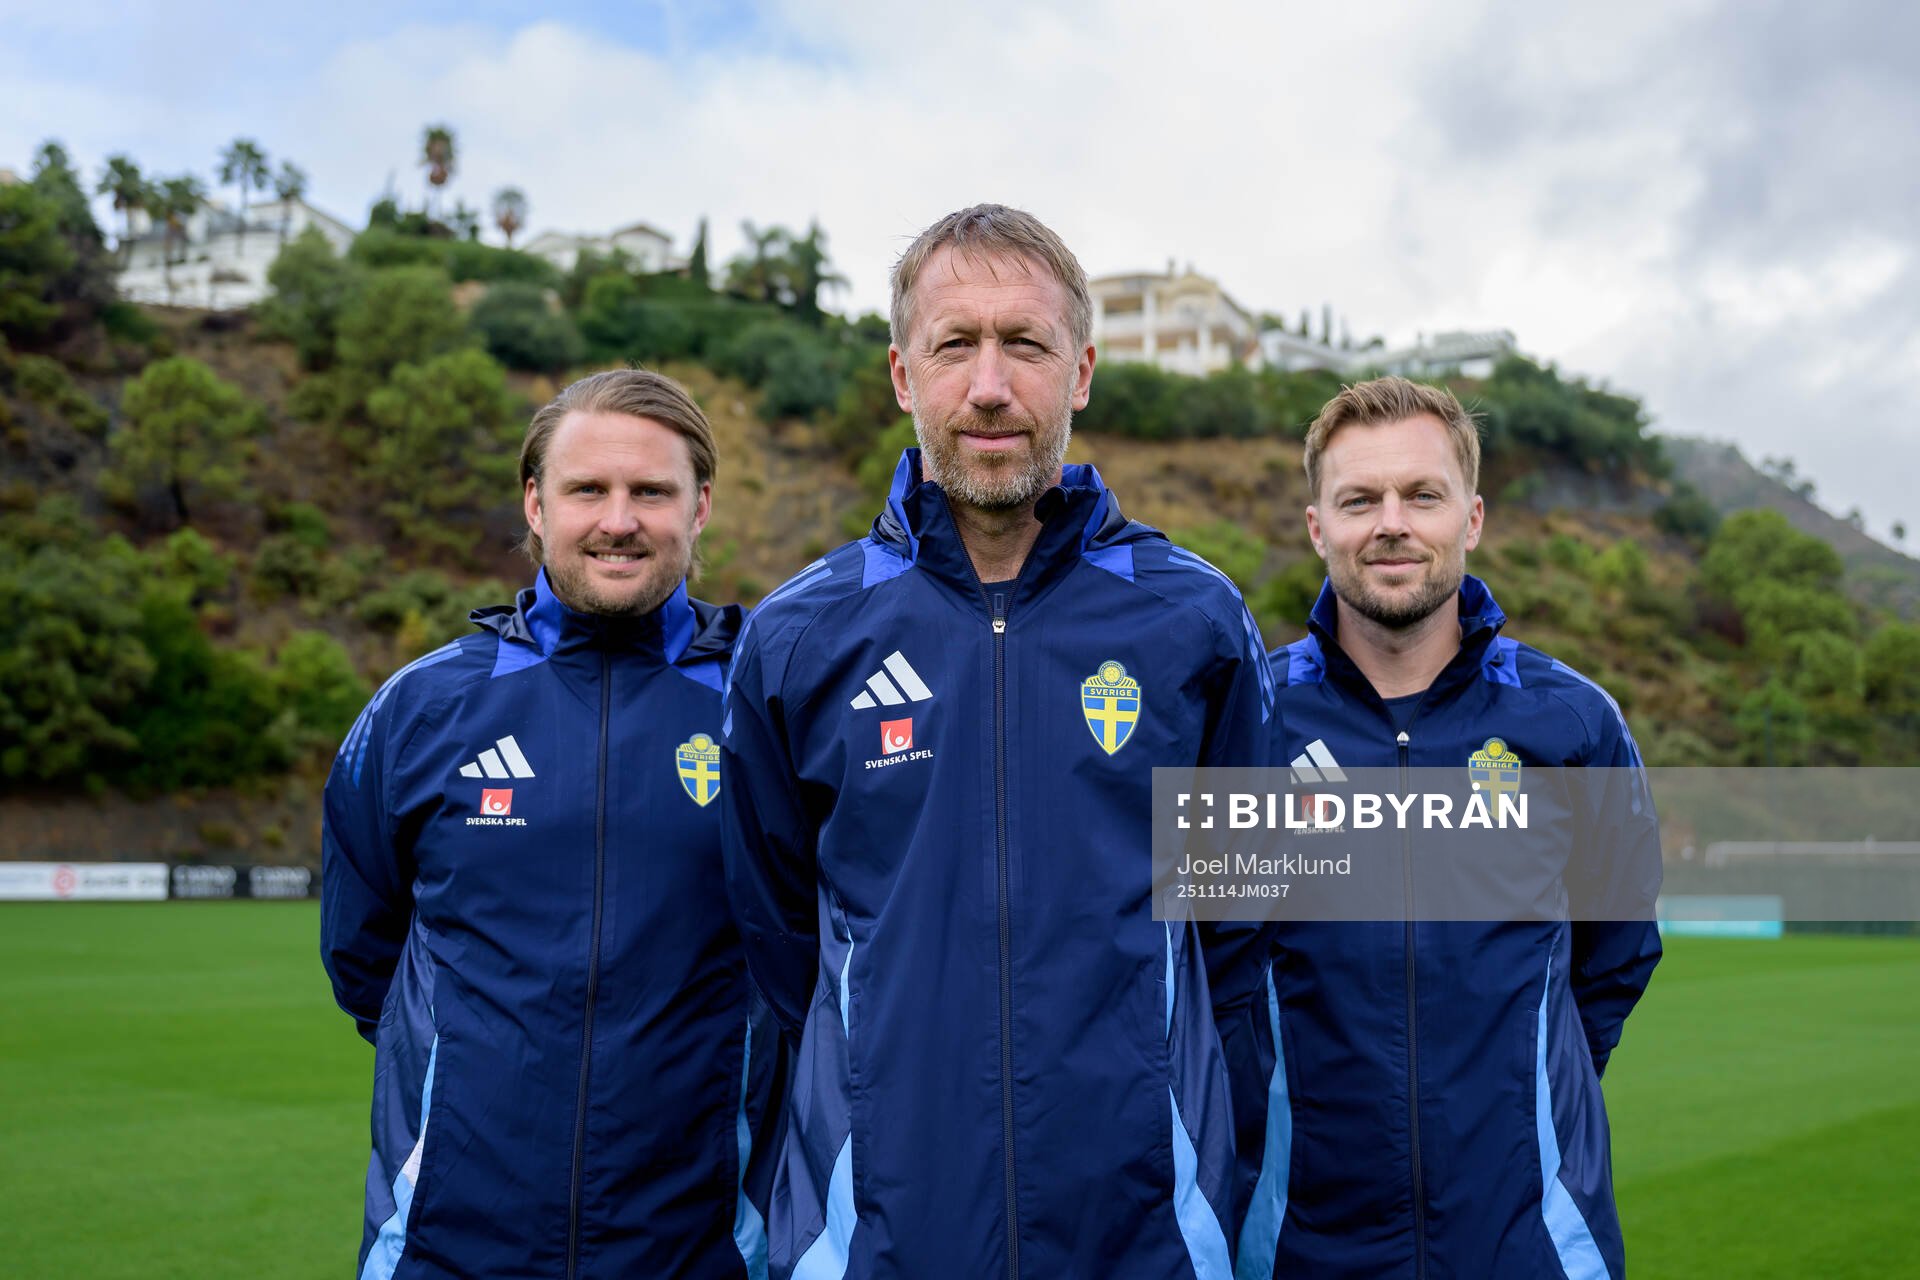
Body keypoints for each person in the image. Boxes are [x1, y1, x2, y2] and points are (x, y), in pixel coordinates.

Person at [719, 203, 1274, 1279]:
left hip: (1144, 1235)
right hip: (874, 1231)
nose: (988, 385)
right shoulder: (797, 633)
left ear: (1081, 372)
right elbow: (778, 934)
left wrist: (1193, 1165)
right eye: (953, 344)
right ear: (899, 373)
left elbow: (1242, 930)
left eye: (1025, 343)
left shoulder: (1197, 619)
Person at [321, 370, 776, 1279]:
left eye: (651, 491)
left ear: (702, 506)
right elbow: (364, 959)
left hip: (702, 1250)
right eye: (587, 490)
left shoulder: (769, 705)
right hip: (448, 1247)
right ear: (535, 504)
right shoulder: (421, 709)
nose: (619, 520)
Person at [1238, 376, 1662, 1279]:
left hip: (1533, 1243)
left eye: (1422, 496)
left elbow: (1615, 955)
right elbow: (1207, 975)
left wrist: (1520, 1100)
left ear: (1470, 518)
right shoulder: (1245, 723)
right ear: (1318, 527)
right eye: (1359, 500)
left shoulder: (1574, 723)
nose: (1391, 523)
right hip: (1300, 1250)